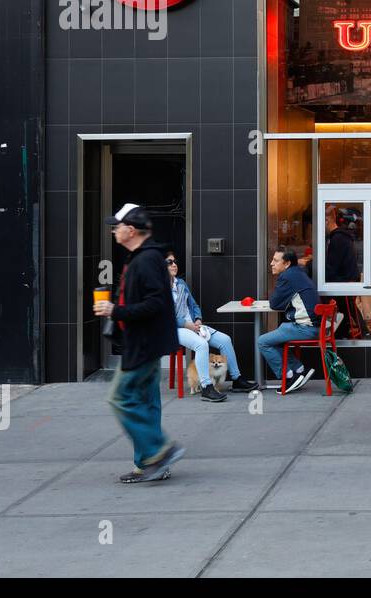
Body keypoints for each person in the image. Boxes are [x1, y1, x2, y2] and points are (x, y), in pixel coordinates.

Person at [93, 204, 185, 483]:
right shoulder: (144, 257)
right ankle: (150, 463)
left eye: (117, 226)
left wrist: (114, 311)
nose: (114, 231)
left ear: (130, 230)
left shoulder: (145, 260)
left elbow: (155, 304)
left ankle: (159, 451)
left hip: (143, 345)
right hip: (146, 343)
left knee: (119, 398)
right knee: (144, 401)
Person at [166, 251, 258, 401]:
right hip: (175, 329)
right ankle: (206, 387)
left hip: (193, 326)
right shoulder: (159, 288)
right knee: (202, 345)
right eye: (169, 262)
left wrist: (197, 319)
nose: (174, 264)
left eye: (175, 261)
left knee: (225, 340)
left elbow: (194, 305)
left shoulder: (180, 283)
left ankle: (237, 380)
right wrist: (187, 324)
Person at [257, 245, 320, 394]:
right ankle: (298, 370)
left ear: (287, 264)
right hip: (313, 326)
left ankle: (288, 377)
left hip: (306, 328)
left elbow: (274, 303)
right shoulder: (298, 273)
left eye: (275, 260)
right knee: (275, 338)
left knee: (262, 341)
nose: (271, 263)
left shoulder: (287, 277)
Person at [326, 206, 368, 338]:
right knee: (348, 307)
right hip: (348, 278)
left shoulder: (337, 239)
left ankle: (347, 332)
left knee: (345, 307)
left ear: (327, 220)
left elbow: (333, 265)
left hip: (344, 280)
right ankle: (356, 332)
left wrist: (313, 264)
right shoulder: (342, 236)